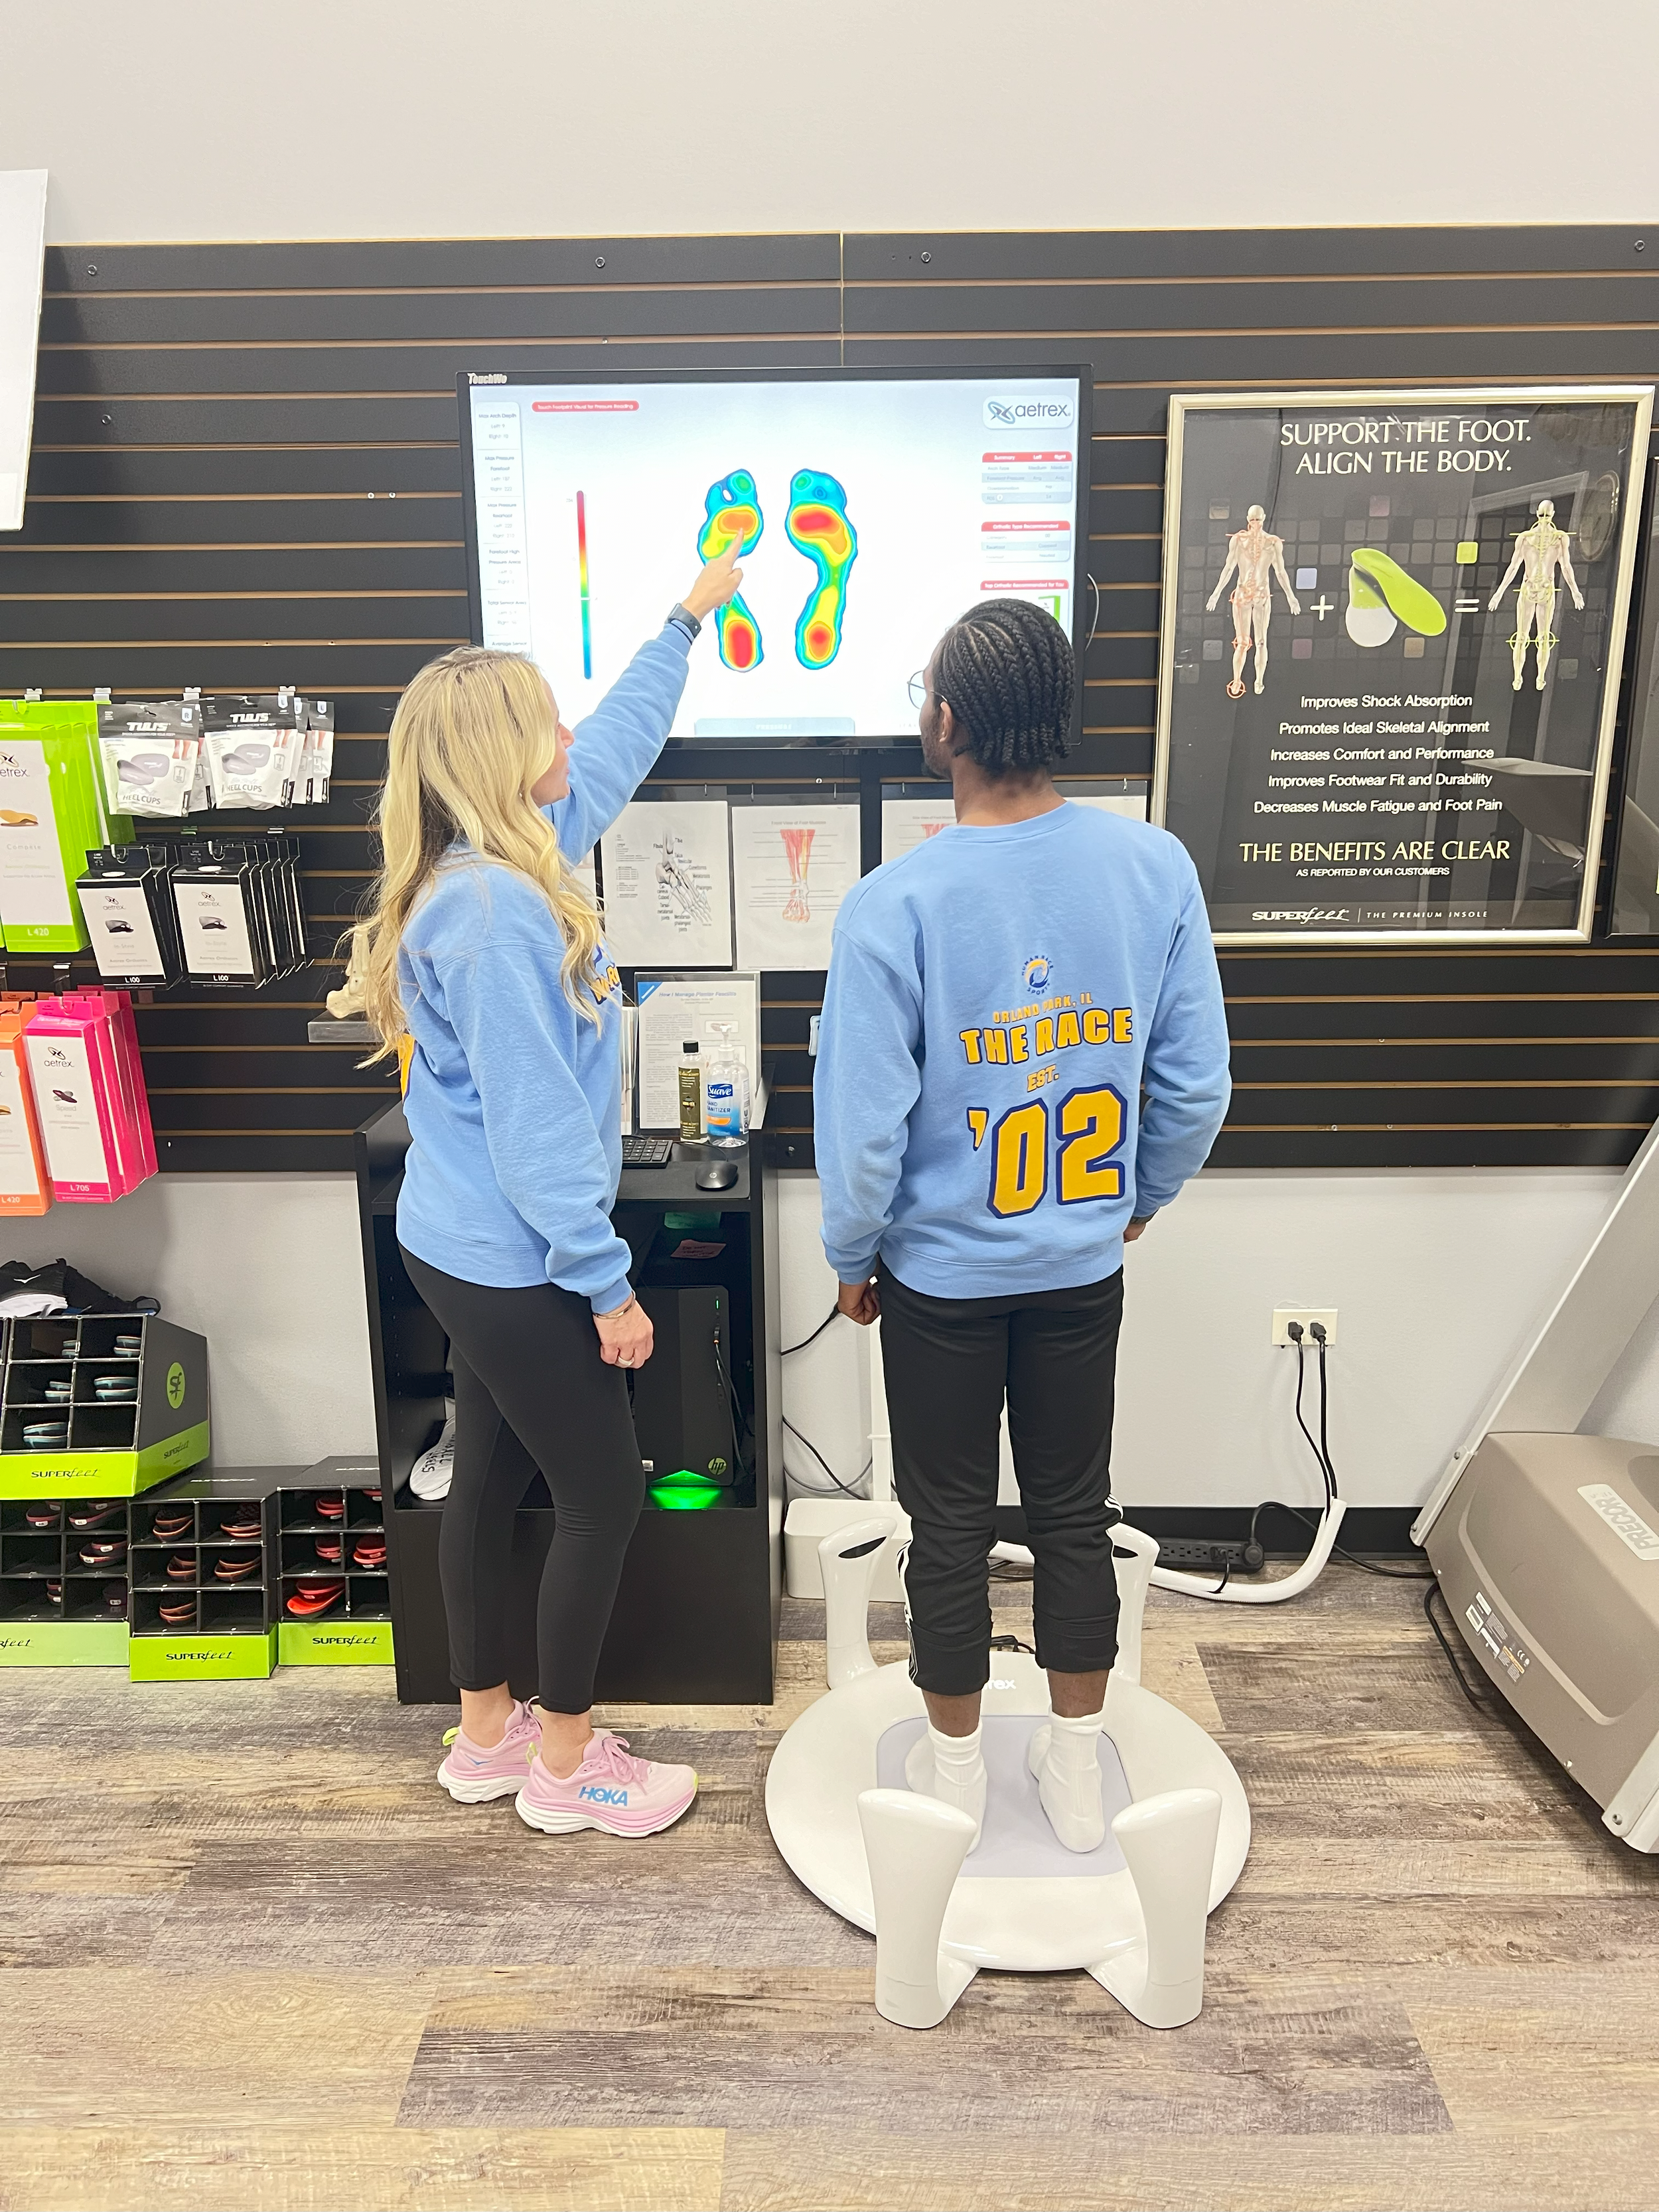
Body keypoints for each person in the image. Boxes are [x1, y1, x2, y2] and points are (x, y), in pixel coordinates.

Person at [813, 597, 1230, 1853]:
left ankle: (948, 1778)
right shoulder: (1155, 867)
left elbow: (864, 1121)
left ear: (944, 724)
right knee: (1071, 1512)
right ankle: (1075, 1761)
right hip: (1078, 1265)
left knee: (945, 1523)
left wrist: (852, 1254)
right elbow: (1195, 1081)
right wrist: (1139, 1196)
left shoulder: (896, 901)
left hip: (936, 1279)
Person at [348, 545, 744, 1839]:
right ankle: (568, 1767)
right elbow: (536, 1133)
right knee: (603, 1494)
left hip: (460, 1243)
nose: (569, 733)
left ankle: (482, 1737)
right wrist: (606, 1284)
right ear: (506, 757)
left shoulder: (512, 856)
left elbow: (620, 742)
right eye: (545, 722)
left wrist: (685, 619)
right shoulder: (495, 917)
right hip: (515, 1253)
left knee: (495, 1479)